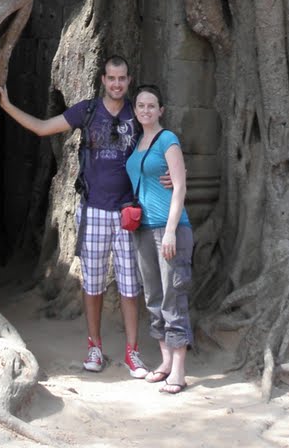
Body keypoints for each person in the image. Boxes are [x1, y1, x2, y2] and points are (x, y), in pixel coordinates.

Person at [0, 55, 146, 376]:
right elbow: (42, 128)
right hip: (93, 210)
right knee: (92, 284)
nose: (117, 84)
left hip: (127, 212)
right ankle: (94, 347)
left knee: (130, 286)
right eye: (111, 78)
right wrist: (6, 105)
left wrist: (168, 176)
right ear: (103, 80)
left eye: (122, 78)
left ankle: (133, 352)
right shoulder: (87, 111)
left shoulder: (137, 113)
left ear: (128, 81)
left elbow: (158, 147)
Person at [124, 83, 193, 394]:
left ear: (161, 110)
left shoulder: (168, 139)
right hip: (142, 229)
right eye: (141, 105)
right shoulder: (137, 142)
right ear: (135, 110)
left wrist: (169, 231)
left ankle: (179, 370)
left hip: (169, 229)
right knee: (153, 296)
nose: (146, 110)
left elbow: (179, 186)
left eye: (151, 105)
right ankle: (165, 362)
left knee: (173, 296)